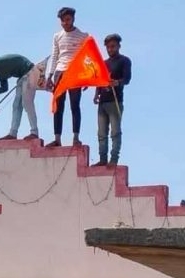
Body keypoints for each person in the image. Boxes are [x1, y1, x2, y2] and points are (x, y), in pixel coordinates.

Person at [46, 7, 89, 147]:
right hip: (60, 72)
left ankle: (76, 138)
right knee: (58, 106)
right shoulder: (57, 36)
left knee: (75, 106)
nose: (66, 23)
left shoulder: (83, 36)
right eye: (63, 20)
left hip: (75, 72)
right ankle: (57, 139)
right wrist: (49, 76)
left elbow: (87, 57)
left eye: (68, 19)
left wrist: (87, 76)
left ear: (73, 19)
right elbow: (54, 56)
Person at [92, 33, 132, 167]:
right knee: (101, 133)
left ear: (119, 46)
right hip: (103, 101)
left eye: (113, 46)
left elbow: (127, 79)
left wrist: (117, 82)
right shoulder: (103, 63)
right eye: (108, 47)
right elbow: (100, 80)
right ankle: (102, 159)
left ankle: (113, 159)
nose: (110, 49)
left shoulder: (124, 61)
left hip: (115, 101)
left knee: (115, 132)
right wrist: (97, 93)